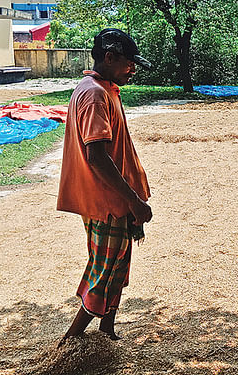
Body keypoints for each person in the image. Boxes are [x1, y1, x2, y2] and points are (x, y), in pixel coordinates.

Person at [56, 28, 154, 346]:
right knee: (103, 272)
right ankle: (69, 343)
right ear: (109, 58)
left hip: (119, 203)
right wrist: (134, 202)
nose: (133, 69)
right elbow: (97, 157)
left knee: (117, 269)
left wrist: (134, 203)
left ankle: (106, 331)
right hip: (108, 203)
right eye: (129, 63)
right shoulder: (94, 95)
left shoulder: (106, 88)